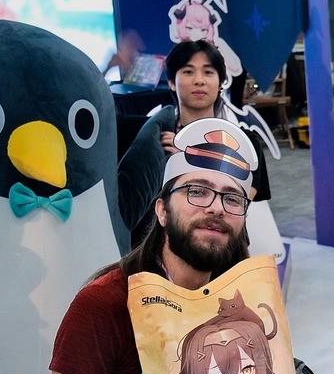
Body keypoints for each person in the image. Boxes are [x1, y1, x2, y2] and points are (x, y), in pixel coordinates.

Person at [50, 121, 257, 374]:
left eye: (232, 198)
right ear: (162, 210)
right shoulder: (104, 304)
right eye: (197, 191)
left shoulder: (242, 295)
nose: (216, 207)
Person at [116, 39, 273, 237]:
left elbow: (235, 206)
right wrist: (108, 68)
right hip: (150, 247)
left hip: (215, 246)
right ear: (171, 82)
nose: (199, 80)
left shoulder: (244, 144)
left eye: (208, 72)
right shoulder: (149, 135)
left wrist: (189, 158)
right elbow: (93, 120)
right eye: (188, 71)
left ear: (220, 83)